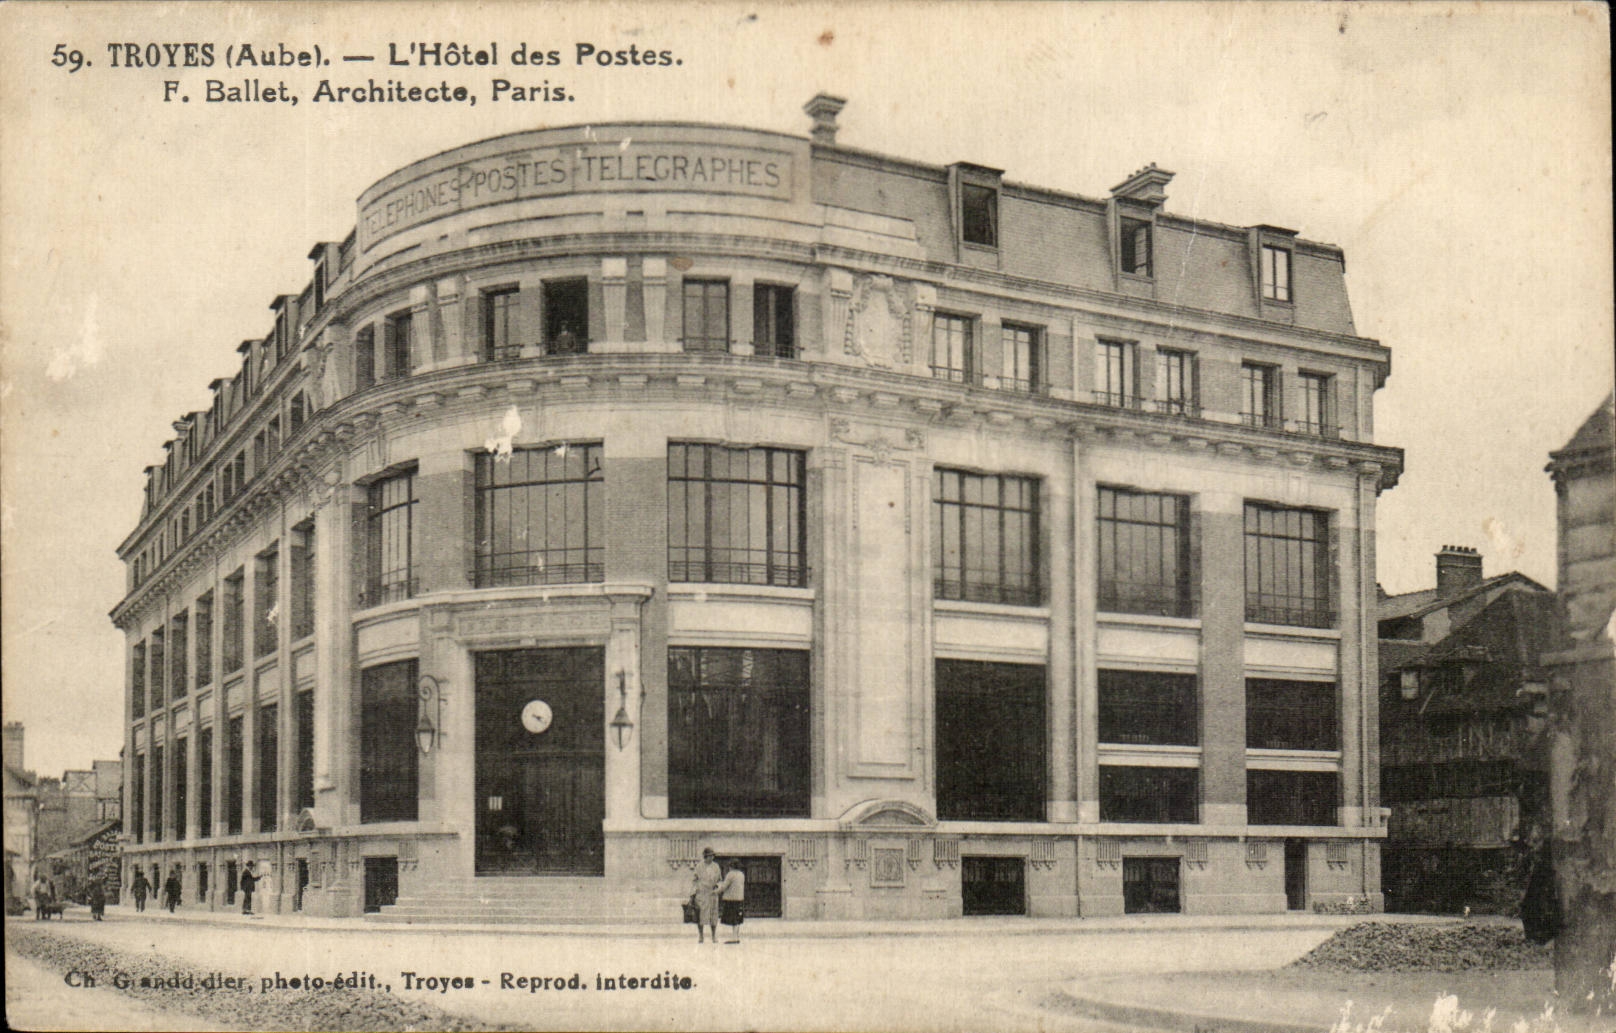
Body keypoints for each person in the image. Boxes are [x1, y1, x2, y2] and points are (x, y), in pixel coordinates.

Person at [690, 847, 721, 944]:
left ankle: (713, 936)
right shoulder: (699, 866)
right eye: (709, 856)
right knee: (701, 916)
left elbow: (719, 880)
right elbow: (694, 880)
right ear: (705, 856)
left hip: (712, 894)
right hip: (702, 894)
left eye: (712, 856)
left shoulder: (716, 866)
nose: (711, 858)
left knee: (713, 915)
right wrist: (693, 893)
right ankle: (701, 935)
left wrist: (717, 887)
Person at [718, 859, 746, 944]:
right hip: (739, 898)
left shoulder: (730, 874)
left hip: (731, 899)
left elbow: (724, 886)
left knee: (733, 919)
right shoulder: (741, 874)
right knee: (737, 919)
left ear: (731, 866)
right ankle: (736, 936)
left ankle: (734, 938)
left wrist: (716, 891)